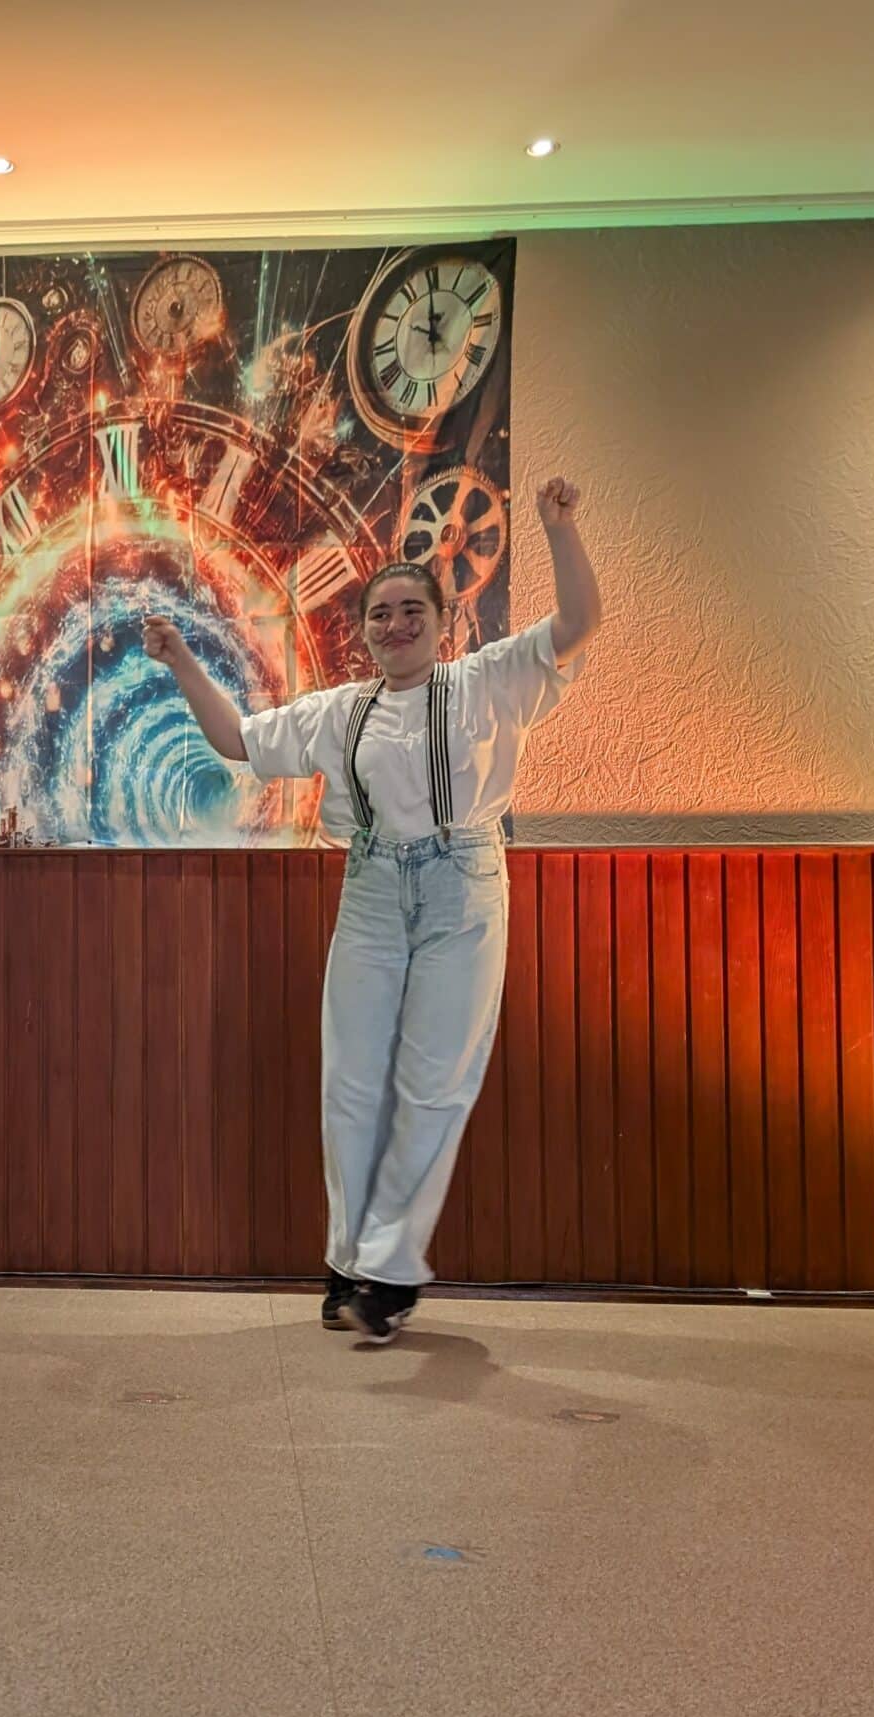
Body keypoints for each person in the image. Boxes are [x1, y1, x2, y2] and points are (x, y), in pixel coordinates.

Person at [147, 479, 600, 1343]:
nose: (395, 626)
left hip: (463, 886)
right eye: (379, 615)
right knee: (351, 1083)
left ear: (443, 621)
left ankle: (390, 1271)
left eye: (410, 611)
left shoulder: (487, 682)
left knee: (435, 1083)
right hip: (370, 892)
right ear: (362, 632)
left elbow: (578, 624)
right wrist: (181, 663)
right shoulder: (339, 712)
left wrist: (558, 528)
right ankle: (347, 1263)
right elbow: (237, 740)